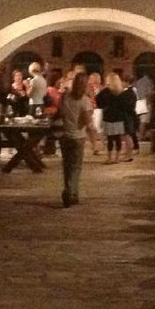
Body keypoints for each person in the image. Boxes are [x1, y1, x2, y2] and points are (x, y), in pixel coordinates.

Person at [57, 72, 93, 208]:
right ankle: (70, 192)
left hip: (65, 134)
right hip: (78, 136)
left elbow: (60, 112)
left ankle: (72, 193)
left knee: (67, 166)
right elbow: (87, 122)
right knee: (76, 167)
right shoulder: (85, 101)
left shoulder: (65, 96)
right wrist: (95, 139)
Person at [95, 72, 136, 164]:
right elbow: (125, 106)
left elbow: (99, 103)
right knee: (118, 139)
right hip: (119, 118)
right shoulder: (122, 92)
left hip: (108, 117)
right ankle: (117, 158)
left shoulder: (105, 91)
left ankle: (110, 158)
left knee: (110, 139)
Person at [130, 70, 155, 153]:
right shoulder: (148, 82)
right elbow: (149, 93)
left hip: (138, 102)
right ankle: (141, 136)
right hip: (145, 102)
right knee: (143, 120)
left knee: (140, 119)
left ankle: (140, 135)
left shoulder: (137, 82)